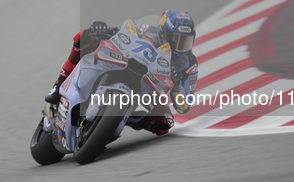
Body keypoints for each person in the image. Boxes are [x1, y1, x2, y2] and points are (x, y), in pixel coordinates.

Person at [44, 10, 199, 136]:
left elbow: (184, 106)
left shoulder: (189, 63)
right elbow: (125, 33)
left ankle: (126, 119)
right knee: (84, 36)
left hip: (152, 87)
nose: (182, 47)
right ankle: (58, 85)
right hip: (129, 62)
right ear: (164, 33)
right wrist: (105, 30)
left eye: (186, 41)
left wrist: (177, 85)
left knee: (165, 123)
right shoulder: (148, 30)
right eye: (177, 39)